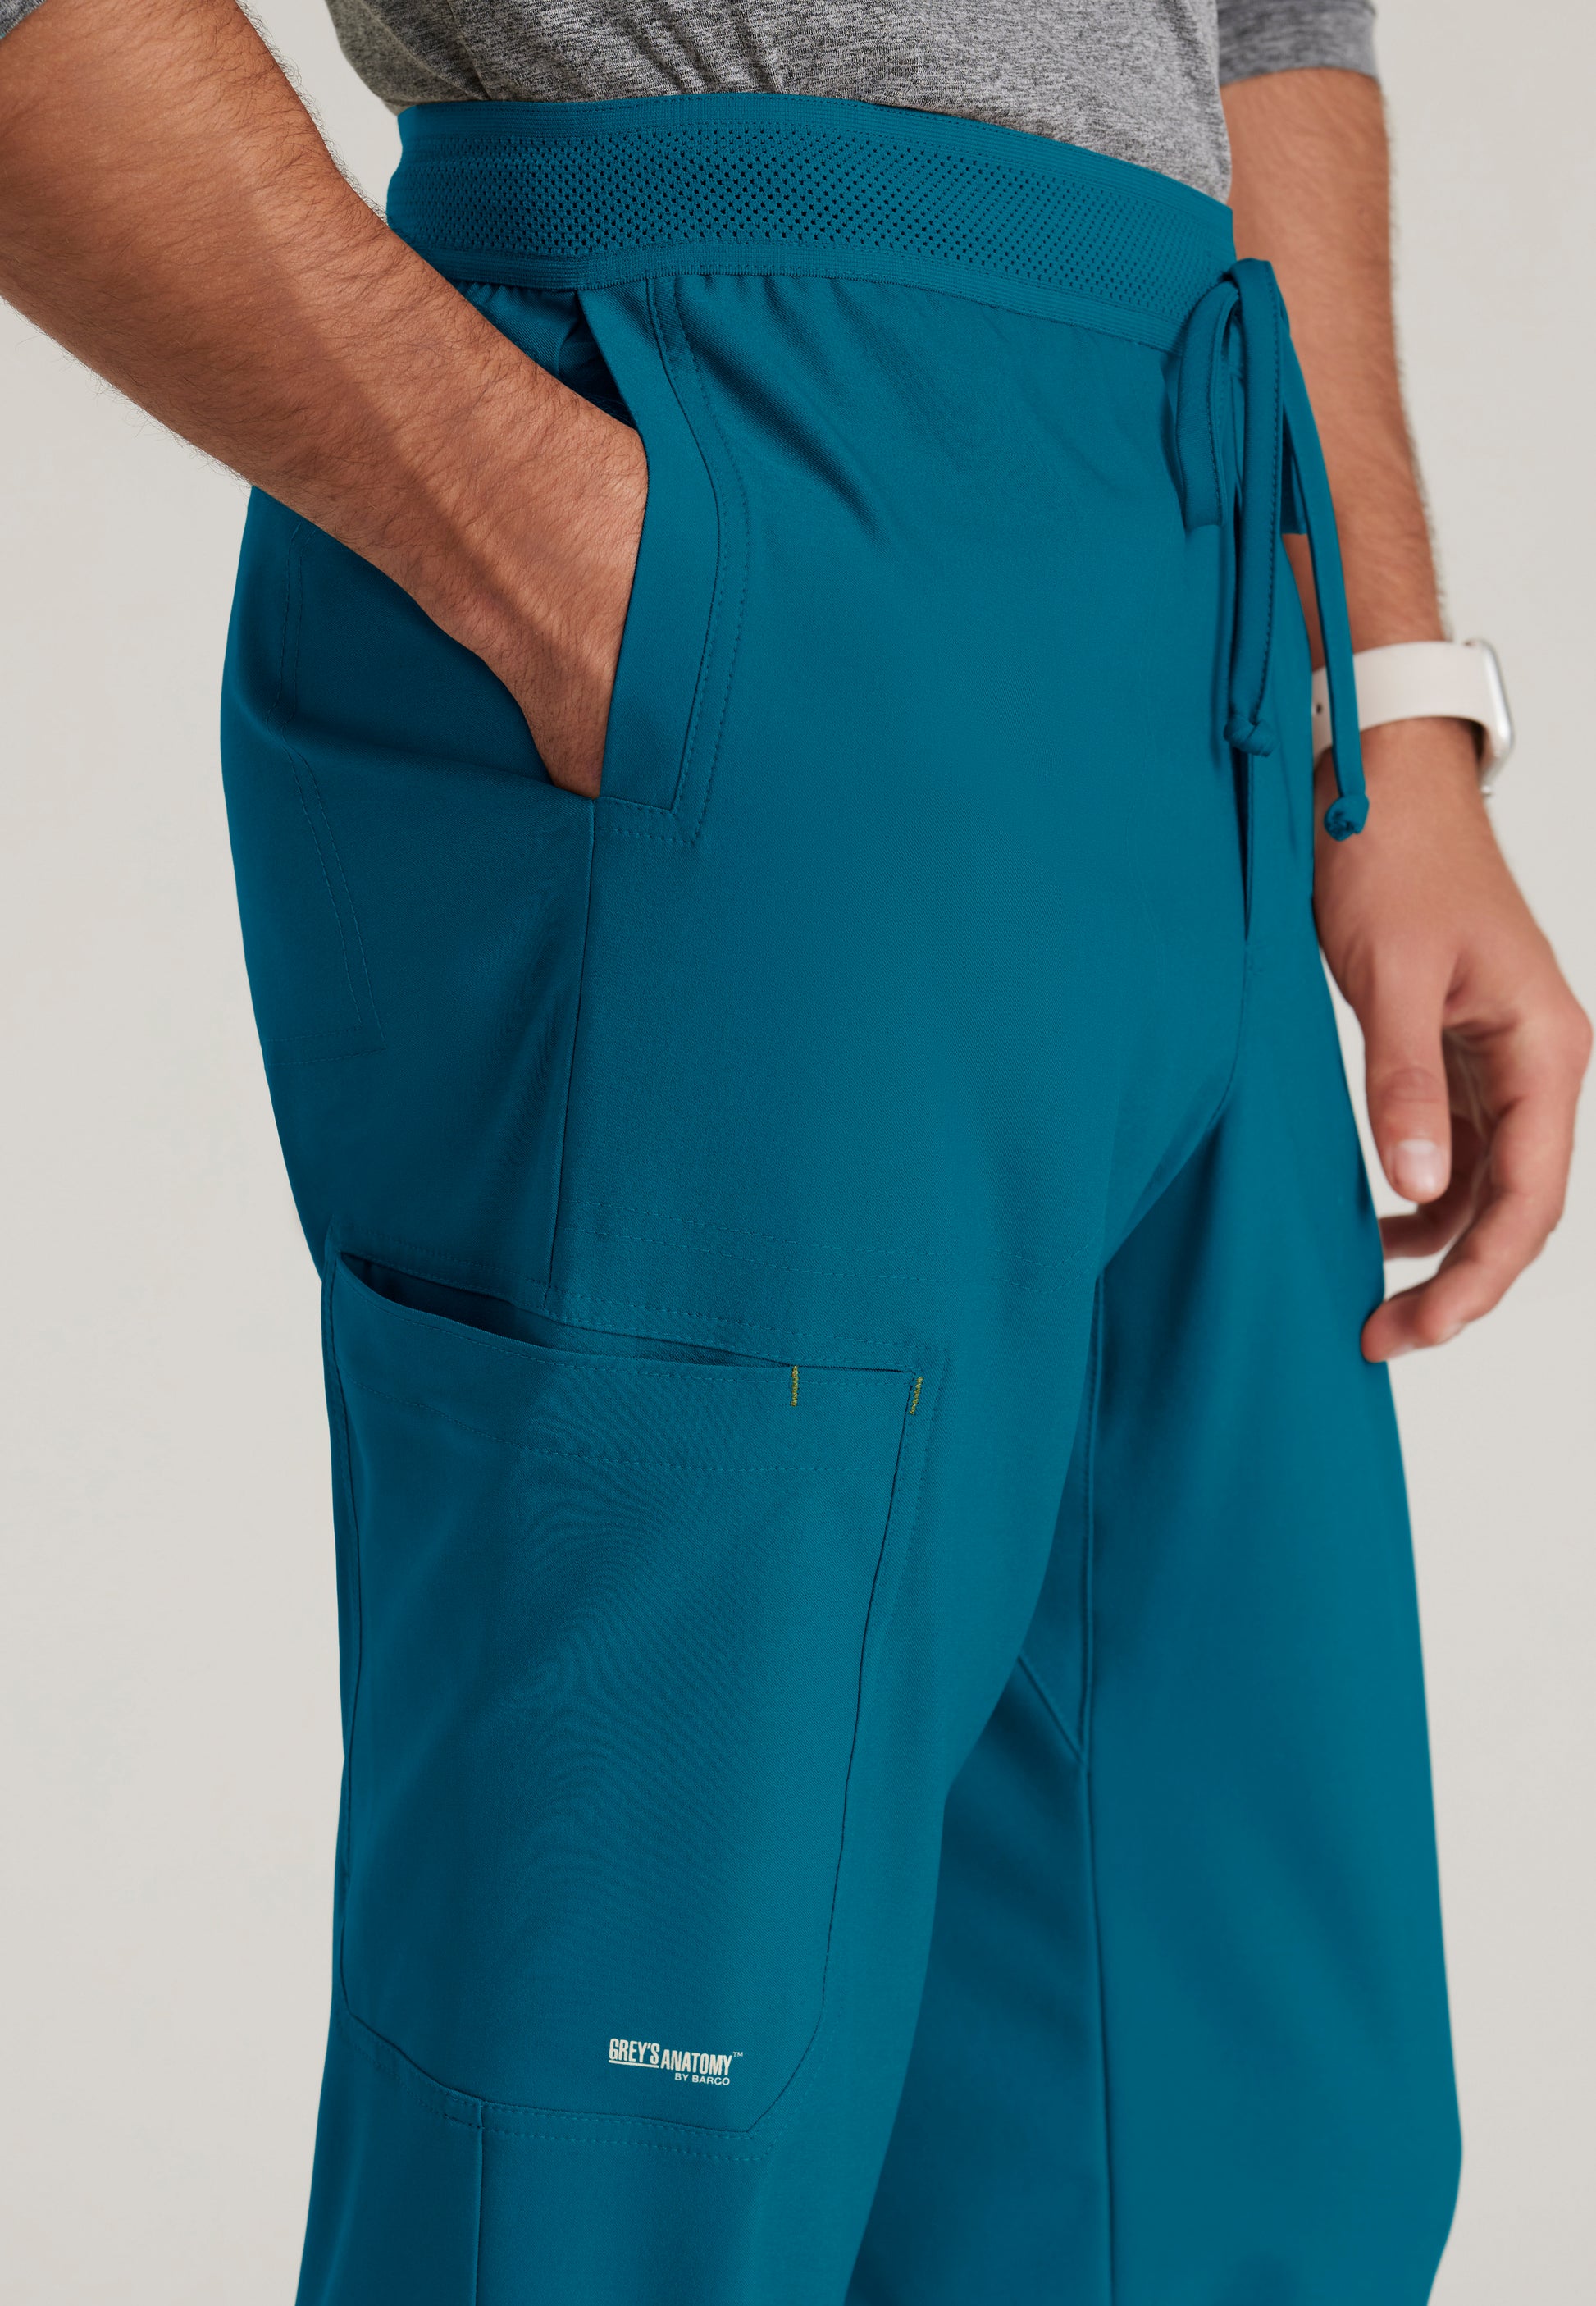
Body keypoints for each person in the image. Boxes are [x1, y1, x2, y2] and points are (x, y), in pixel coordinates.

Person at [0, 2, 1586, 2300]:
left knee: (1233, 2151)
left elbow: (1266, 19)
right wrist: (558, 555)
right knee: (631, 2130)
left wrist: (1390, 704)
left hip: (1211, 597)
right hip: (732, 444)